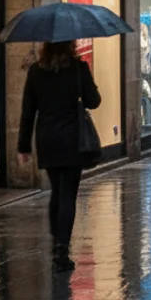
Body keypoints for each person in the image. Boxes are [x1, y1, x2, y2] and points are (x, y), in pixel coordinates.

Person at [18, 42, 102, 273]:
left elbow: (28, 111)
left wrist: (23, 147)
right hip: (73, 140)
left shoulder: (36, 71)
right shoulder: (78, 68)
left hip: (47, 139)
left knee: (57, 190)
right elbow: (94, 101)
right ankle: (62, 250)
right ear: (70, 46)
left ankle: (57, 242)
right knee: (68, 194)